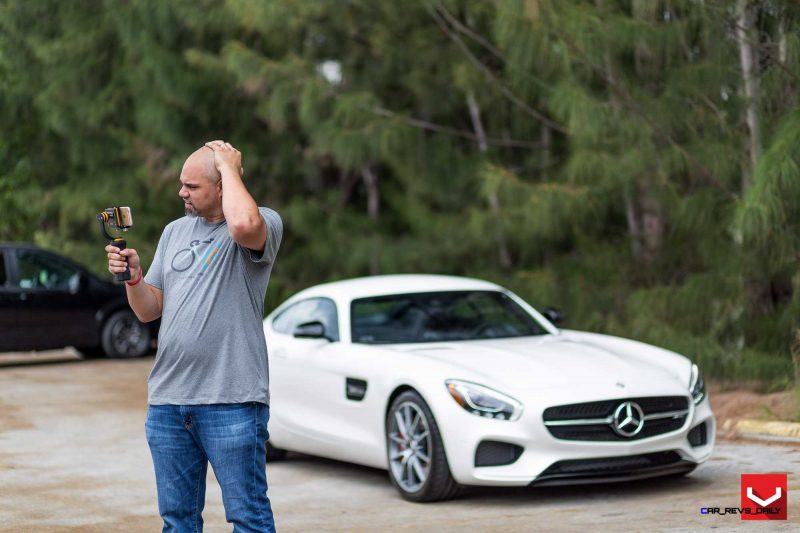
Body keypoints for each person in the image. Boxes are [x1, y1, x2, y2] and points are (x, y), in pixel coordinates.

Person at [105, 140, 282, 532]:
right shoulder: (174, 232)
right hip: (169, 402)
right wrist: (133, 277)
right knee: (177, 523)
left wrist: (229, 165)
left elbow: (243, 226)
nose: (181, 193)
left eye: (192, 186)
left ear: (222, 185)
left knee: (248, 518)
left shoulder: (263, 222)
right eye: (182, 185)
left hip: (232, 401)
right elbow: (148, 309)